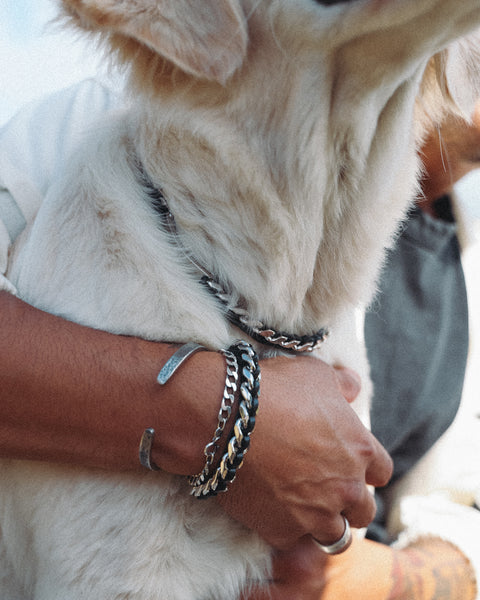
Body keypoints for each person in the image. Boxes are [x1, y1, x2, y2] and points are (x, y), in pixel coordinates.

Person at [0, 80, 478, 599]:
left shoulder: (468, 279)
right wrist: (232, 423)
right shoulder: (106, 120)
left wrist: (371, 580)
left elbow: (453, 507)